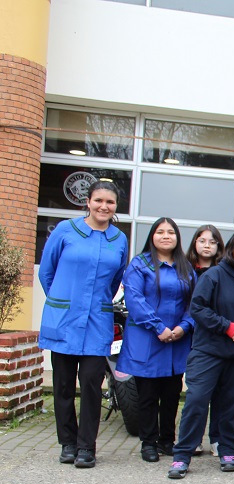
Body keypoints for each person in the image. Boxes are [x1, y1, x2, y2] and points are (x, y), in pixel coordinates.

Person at [38, 181, 129, 468]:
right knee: (63, 385)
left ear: (116, 207)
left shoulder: (119, 239)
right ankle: (67, 443)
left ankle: (86, 447)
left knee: (91, 382)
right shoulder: (66, 230)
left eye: (110, 202)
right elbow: (47, 272)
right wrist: (63, 300)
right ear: (87, 202)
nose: (104, 206)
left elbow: (116, 280)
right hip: (64, 319)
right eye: (98, 200)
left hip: (96, 321)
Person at [167, 228, 234, 479]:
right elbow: (197, 309)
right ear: (231, 248)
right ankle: (182, 455)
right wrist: (227, 326)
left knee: (231, 405)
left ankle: (227, 449)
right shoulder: (214, 275)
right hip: (208, 352)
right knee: (197, 401)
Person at [117, 217, 196, 463]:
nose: (165, 236)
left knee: (172, 394)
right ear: (152, 236)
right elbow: (135, 299)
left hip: (177, 340)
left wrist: (184, 327)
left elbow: (194, 302)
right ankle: (148, 442)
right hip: (148, 338)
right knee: (148, 394)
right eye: (160, 232)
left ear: (177, 238)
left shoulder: (186, 267)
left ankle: (166, 440)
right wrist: (158, 327)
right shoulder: (140, 265)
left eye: (170, 232)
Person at [185, 224, 225, 456]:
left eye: (212, 241)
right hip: (188, 335)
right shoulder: (185, 270)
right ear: (195, 244)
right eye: (202, 240)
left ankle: (217, 438)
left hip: (216, 337)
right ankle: (193, 439)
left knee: (219, 391)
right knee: (197, 393)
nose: (207, 245)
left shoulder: (225, 271)